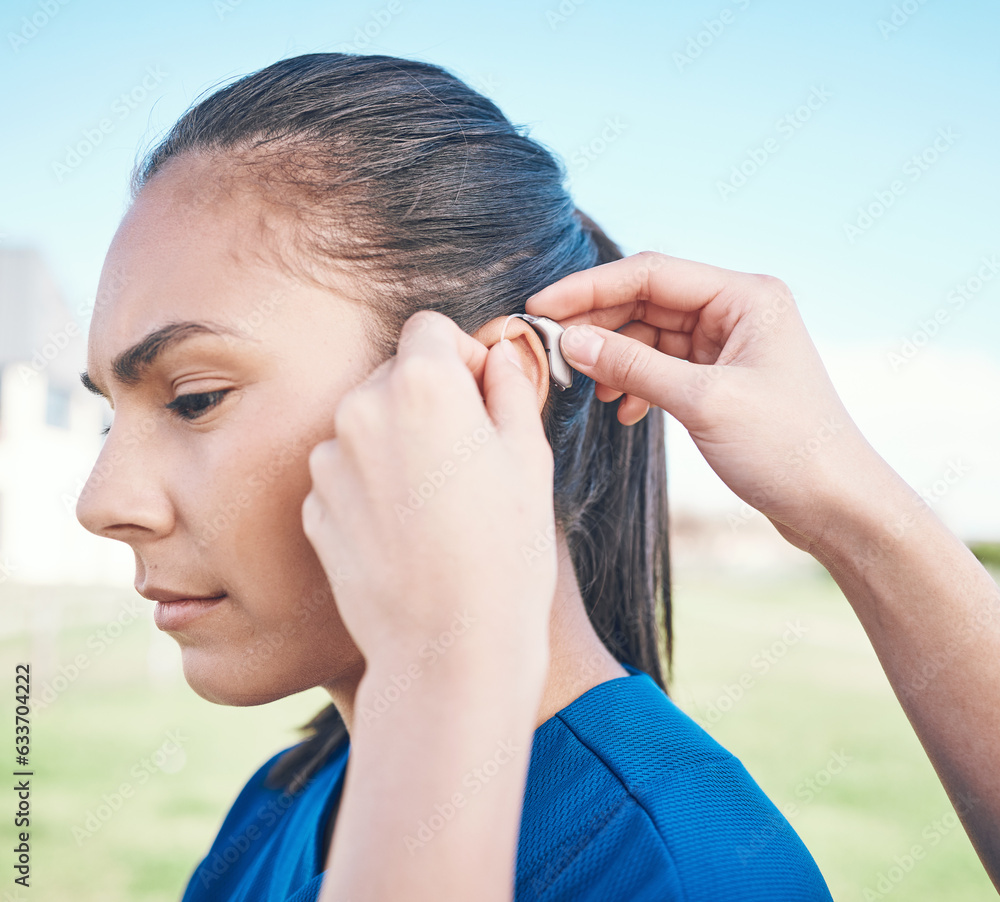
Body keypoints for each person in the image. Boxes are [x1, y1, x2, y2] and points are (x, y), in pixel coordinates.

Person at [71, 48, 988, 901]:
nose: (102, 502)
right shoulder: (278, 807)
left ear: (488, 382)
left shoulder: (679, 870)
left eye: (193, 398)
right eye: (112, 411)